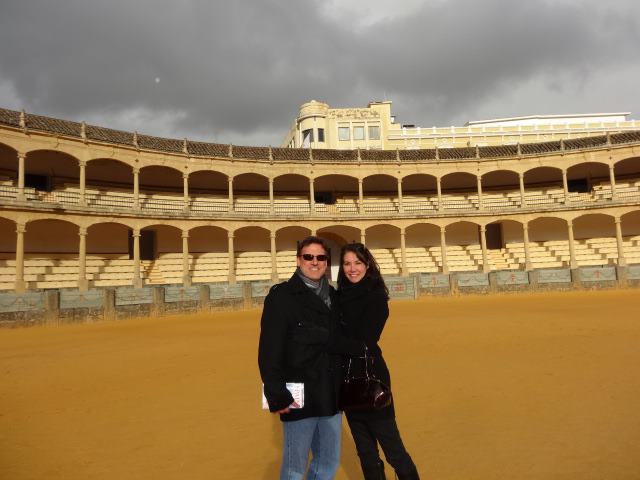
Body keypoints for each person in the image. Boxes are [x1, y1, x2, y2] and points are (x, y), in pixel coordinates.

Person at [258, 236, 343, 480]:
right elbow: (269, 350)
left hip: (331, 392)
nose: (314, 262)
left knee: (328, 462)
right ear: (298, 260)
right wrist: (276, 394)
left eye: (320, 257)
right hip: (298, 393)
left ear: (326, 262)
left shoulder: (334, 296)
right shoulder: (281, 297)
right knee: (294, 467)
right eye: (308, 257)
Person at [336, 243, 420, 480]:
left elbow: (365, 341)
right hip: (347, 381)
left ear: (368, 265)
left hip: (372, 379)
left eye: (358, 263)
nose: (352, 268)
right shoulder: (338, 297)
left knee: (393, 450)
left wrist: (329, 341)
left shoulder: (376, 297)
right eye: (347, 263)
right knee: (365, 452)